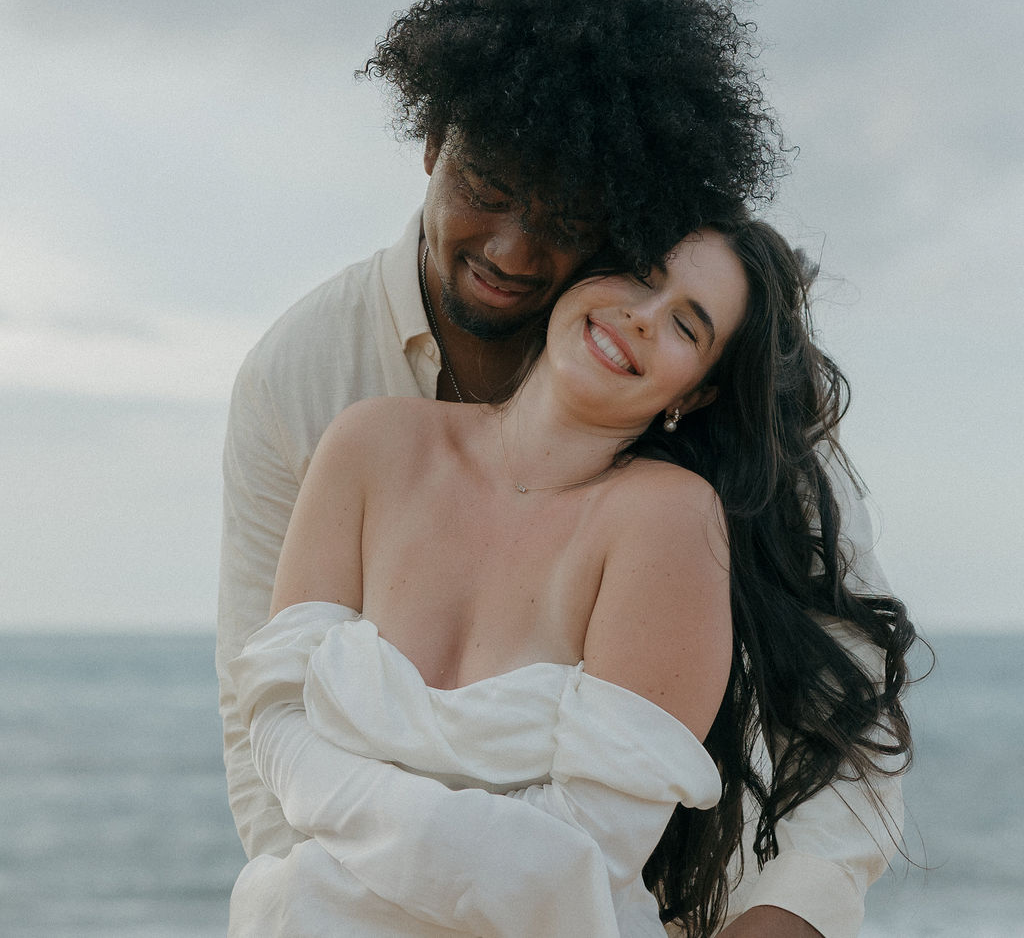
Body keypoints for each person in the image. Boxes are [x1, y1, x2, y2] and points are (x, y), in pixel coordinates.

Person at [217, 0, 904, 936]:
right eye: (486, 186)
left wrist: (779, 916)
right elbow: (259, 716)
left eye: (571, 219)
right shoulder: (315, 383)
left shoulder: (698, 439)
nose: (516, 250)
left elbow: (842, 703)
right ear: (431, 143)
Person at [224, 214, 915, 936]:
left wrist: (335, 851)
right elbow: (270, 715)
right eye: (641, 277)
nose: (644, 319)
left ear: (696, 393)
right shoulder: (368, 441)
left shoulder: (671, 521)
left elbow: (586, 846)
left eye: (687, 326)